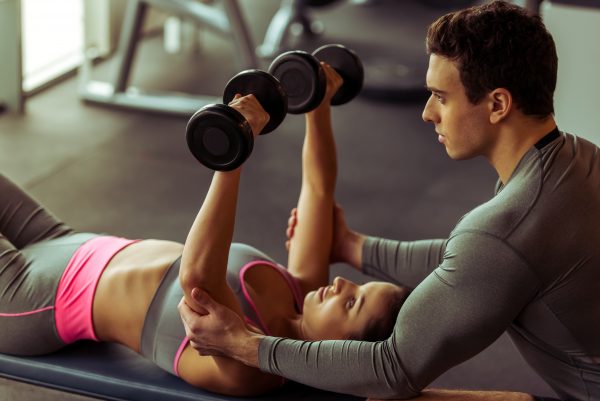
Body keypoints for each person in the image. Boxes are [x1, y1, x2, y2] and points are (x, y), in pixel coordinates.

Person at [177, 1, 600, 401]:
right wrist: (352, 246)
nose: (427, 113)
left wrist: (245, 344)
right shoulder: (577, 157)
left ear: (498, 104)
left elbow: (393, 368)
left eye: (441, 96)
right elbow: (470, 264)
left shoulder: (509, 225)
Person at [0, 64, 407, 396]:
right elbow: (318, 190)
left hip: (33, 298)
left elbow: (196, 279)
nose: (339, 285)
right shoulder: (300, 292)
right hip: (65, 240)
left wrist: (234, 154)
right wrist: (318, 103)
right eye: (355, 286)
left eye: (351, 304)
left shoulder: (250, 366)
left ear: (340, 354)